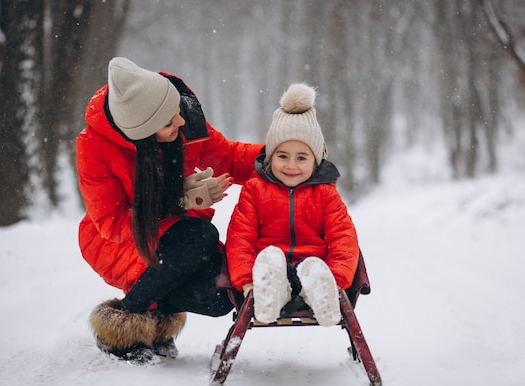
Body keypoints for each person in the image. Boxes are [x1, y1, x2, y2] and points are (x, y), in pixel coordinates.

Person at [76, 57, 263, 364]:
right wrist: (177, 201)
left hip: (179, 238)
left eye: (175, 111)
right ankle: (124, 322)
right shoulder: (93, 146)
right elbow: (111, 222)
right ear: (143, 133)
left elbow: (231, 158)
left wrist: (282, 154)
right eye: (167, 122)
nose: (179, 121)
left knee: (222, 294)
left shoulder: (184, 120)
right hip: (116, 242)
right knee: (200, 234)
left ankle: (155, 317)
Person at [225, 83, 359, 327]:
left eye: (301, 158)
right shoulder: (255, 190)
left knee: (312, 271)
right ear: (270, 156)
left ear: (316, 160)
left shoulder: (325, 194)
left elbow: (343, 239)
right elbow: (240, 239)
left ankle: (322, 295)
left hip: (312, 268)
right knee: (271, 262)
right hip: (270, 271)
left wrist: (338, 280)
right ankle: (270, 297)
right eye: (282, 156)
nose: (291, 166)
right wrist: (246, 282)